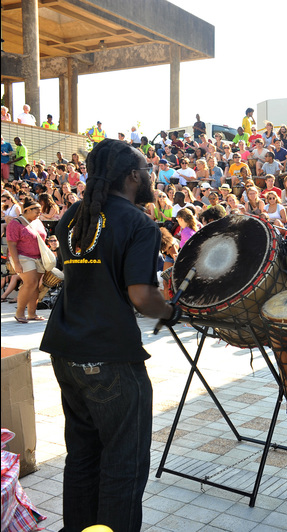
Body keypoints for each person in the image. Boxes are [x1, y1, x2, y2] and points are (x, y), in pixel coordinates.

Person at [39, 139, 177, 532]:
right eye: (146, 169)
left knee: (82, 456)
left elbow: (84, 274)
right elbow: (141, 295)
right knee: (123, 464)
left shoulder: (71, 217)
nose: (150, 175)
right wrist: (171, 311)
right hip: (110, 357)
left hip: (66, 350)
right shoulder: (139, 223)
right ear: (133, 176)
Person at [6, 198, 48, 323]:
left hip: (38, 257)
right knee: (30, 282)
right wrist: (16, 263)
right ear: (27, 210)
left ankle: (32, 314)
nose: (39, 213)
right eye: (37, 211)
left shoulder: (38, 222)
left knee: (35, 286)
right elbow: (11, 244)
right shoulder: (15, 223)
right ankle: (19, 312)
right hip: (22, 256)